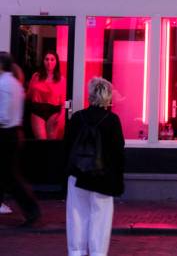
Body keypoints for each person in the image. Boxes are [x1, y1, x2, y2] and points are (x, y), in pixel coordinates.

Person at [65, 77, 125, 256]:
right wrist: (118, 181)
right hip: (103, 177)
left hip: (78, 175)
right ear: (107, 96)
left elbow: (66, 146)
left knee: (77, 216)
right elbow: (118, 152)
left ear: (90, 95)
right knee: (101, 218)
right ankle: (97, 252)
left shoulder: (77, 118)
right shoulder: (112, 120)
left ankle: (76, 251)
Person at [0, 52, 41, 226]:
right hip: (14, 132)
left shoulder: (3, 84)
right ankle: (31, 210)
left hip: (5, 133)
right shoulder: (16, 84)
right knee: (8, 174)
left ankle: (32, 210)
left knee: (10, 176)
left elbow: (3, 115)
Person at [27, 50, 67, 140]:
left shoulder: (61, 79)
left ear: (56, 62)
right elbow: (29, 95)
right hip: (37, 110)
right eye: (47, 59)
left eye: (52, 59)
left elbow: (64, 101)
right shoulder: (36, 76)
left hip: (54, 111)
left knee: (52, 141)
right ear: (43, 61)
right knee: (41, 141)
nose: (49, 62)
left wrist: (62, 116)